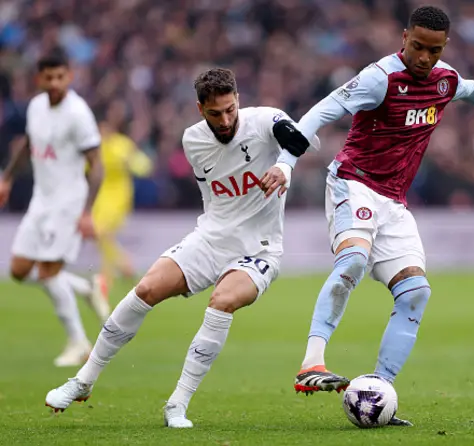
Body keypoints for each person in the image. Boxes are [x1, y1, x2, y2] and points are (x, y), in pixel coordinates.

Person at [261, 5, 474, 426]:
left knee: (416, 293)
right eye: (417, 46)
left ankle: (378, 390)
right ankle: (312, 363)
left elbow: (473, 90)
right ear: (404, 37)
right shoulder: (379, 78)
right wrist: (286, 163)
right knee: (353, 261)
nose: (423, 57)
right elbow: (324, 111)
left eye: (433, 50)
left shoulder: (445, 80)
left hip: (394, 202)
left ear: (444, 47)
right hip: (354, 181)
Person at [44, 67, 320, 428]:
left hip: (260, 248)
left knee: (221, 301)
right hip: (211, 238)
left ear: (239, 100)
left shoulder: (266, 120)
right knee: (145, 289)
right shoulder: (193, 140)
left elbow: (299, 140)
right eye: (214, 113)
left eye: (230, 110)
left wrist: (284, 166)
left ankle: (177, 403)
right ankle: (83, 381)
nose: (225, 120)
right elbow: (215, 198)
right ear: (199, 109)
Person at [0, 48, 109, 367]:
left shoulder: (78, 113)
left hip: (69, 201)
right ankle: (85, 286)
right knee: (19, 271)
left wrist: (87, 211)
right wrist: (6, 179)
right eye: (48, 77)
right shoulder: (35, 107)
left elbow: (96, 165)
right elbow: (29, 145)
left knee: (48, 273)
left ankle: (79, 343)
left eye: (60, 76)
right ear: (39, 78)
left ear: (69, 76)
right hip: (42, 199)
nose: (55, 83)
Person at [91, 118, 153, 293]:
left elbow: (143, 166)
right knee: (102, 236)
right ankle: (118, 270)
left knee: (102, 232)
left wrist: (132, 162)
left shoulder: (122, 145)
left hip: (119, 195)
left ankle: (110, 274)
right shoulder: (95, 147)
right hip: (101, 195)